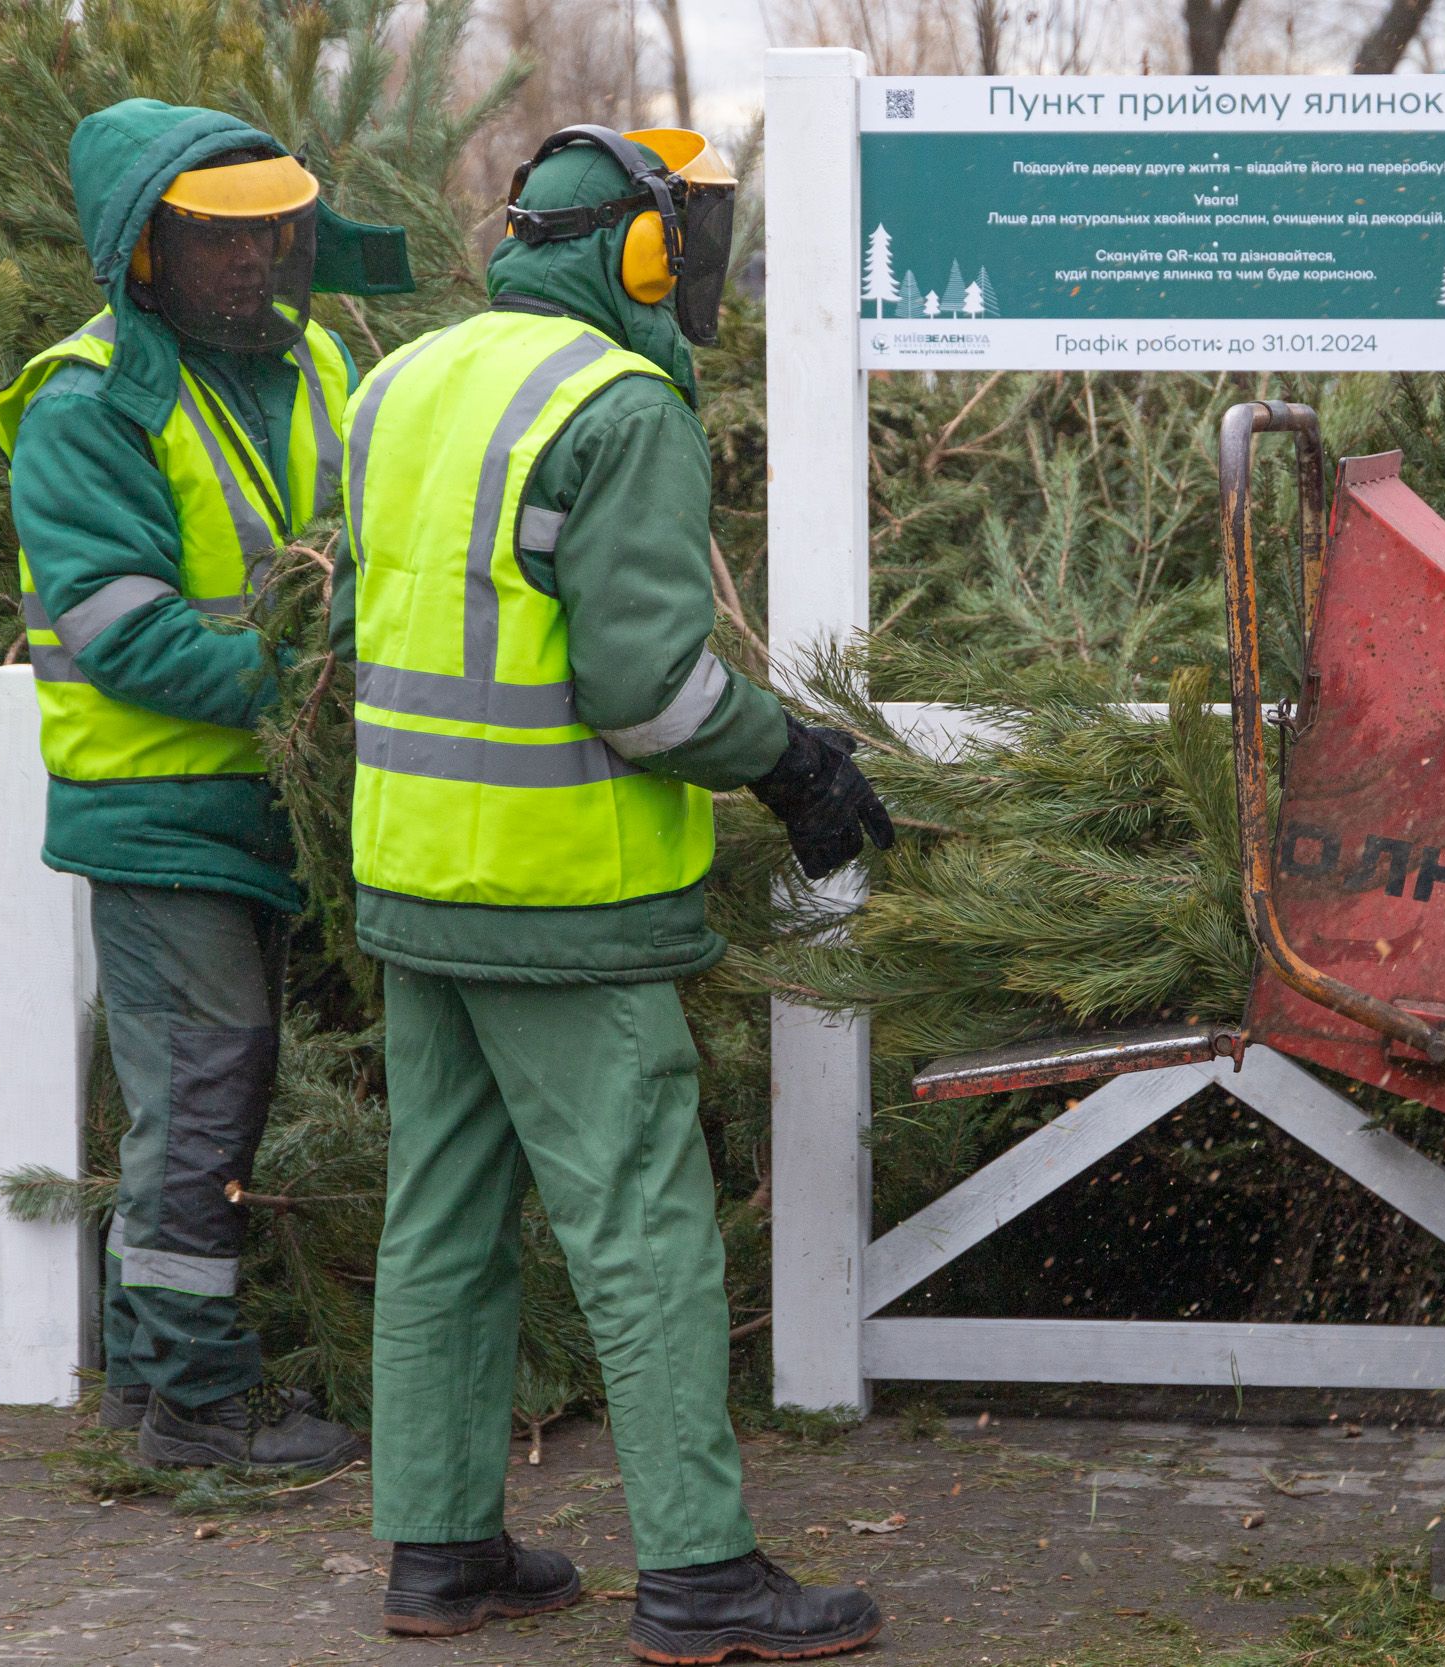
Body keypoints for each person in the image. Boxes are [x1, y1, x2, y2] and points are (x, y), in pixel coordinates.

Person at [337, 126, 892, 1661]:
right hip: (560, 894)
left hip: (418, 877)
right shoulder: (619, 405)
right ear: (638, 252)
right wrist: (793, 763)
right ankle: (704, 1578)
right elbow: (648, 689)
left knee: (441, 1216)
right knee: (644, 1228)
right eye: (687, 240)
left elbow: (355, 613)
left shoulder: (402, 385)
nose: (695, 267)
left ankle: (440, 1550)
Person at [0, 98, 413, 1469]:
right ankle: (190, 1403)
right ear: (143, 252)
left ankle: (150, 1383)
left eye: (274, 236)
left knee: (207, 1090)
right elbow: (122, 631)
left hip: (264, 809)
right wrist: (316, 696)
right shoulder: (89, 401)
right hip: (163, 810)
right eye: (218, 242)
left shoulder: (327, 368)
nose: (256, 265)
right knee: (208, 1091)